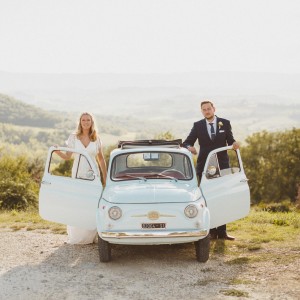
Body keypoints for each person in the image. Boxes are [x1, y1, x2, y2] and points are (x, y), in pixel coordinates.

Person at [183, 100, 239, 240]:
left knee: (222, 197)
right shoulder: (198, 125)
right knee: (207, 198)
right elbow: (186, 142)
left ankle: (222, 232)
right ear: (202, 111)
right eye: (204, 109)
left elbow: (231, 140)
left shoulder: (225, 123)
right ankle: (210, 231)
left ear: (214, 109)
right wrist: (190, 147)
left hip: (222, 165)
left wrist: (234, 144)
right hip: (204, 166)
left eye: (209, 108)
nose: (207, 111)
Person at [54, 112, 107, 244]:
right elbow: (68, 157)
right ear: (80, 122)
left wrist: (105, 179)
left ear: (92, 122)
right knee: (78, 205)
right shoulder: (74, 137)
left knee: (92, 205)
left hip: (93, 177)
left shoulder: (96, 138)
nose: (86, 122)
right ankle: (78, 237)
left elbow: (101, 160)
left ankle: (91, 236)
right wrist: (58, 151)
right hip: (78, 176)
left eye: (88, 120)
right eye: (83, 120)